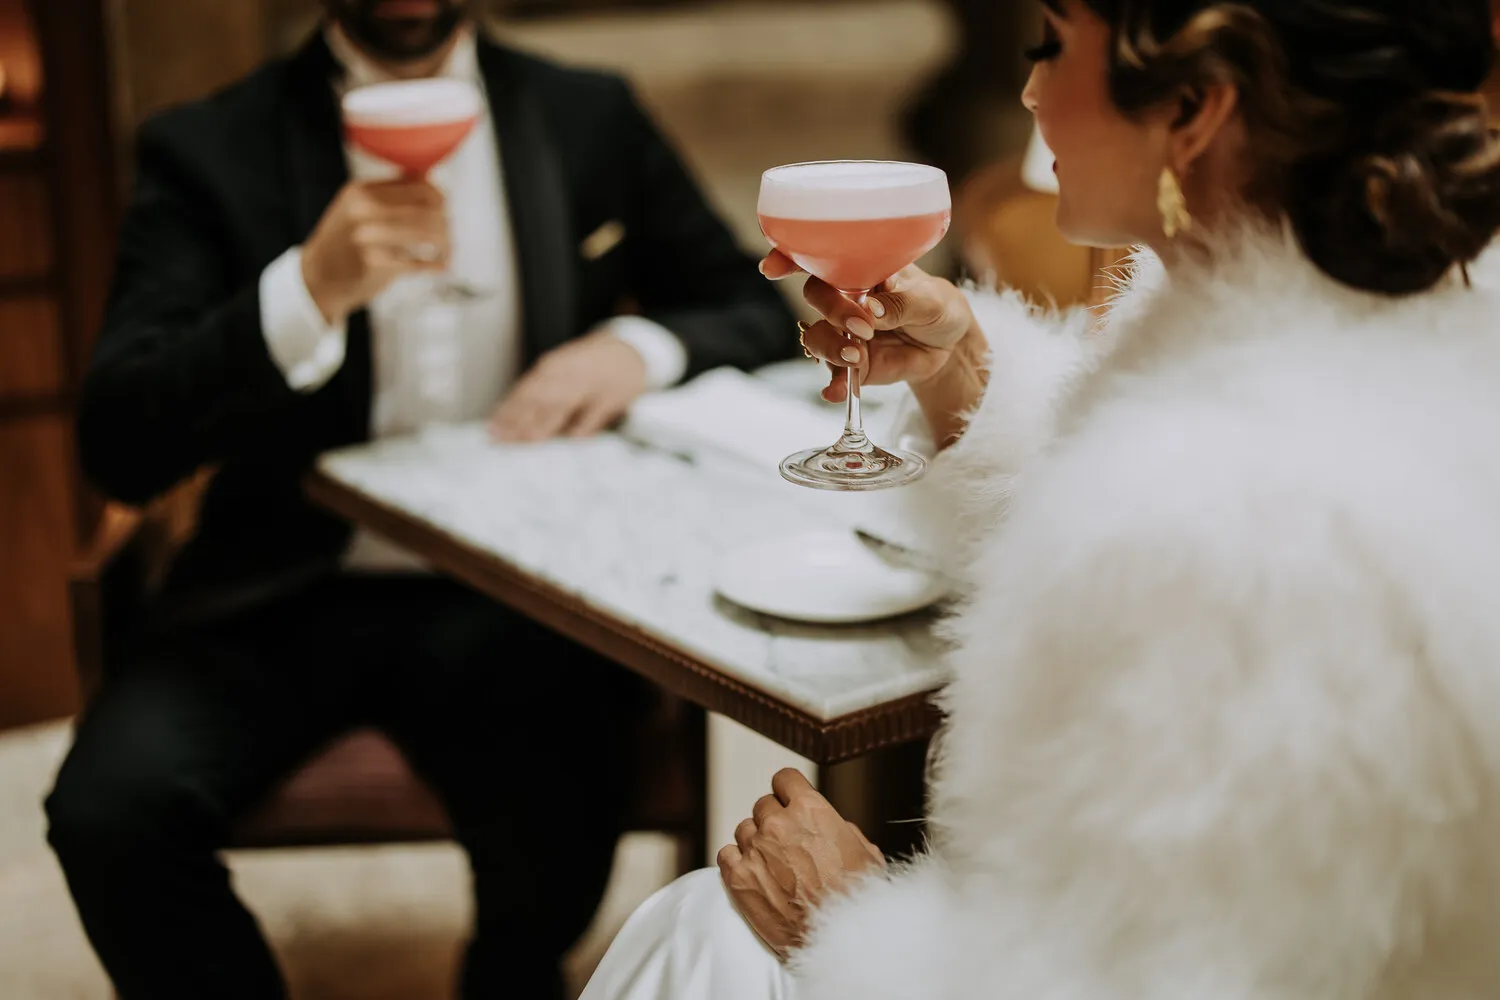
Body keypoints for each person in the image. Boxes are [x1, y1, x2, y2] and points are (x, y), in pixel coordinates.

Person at [582, 0, 1500, 997]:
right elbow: (1115, 563)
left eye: (1054, 47)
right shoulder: (1342, 327)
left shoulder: (1249, 517)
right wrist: (962, 370)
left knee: (703, 935)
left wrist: (843, 919)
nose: (1028, 91)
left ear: (1192, 108)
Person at [43, 1, 793, 998]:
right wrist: (305, 289)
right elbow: (120, 443)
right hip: (281, 584)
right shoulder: (209, 146)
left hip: (519, 591)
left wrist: (634, 347)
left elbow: (753, 305)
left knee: (561, 827)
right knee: (108, 812)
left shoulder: (585, 113)